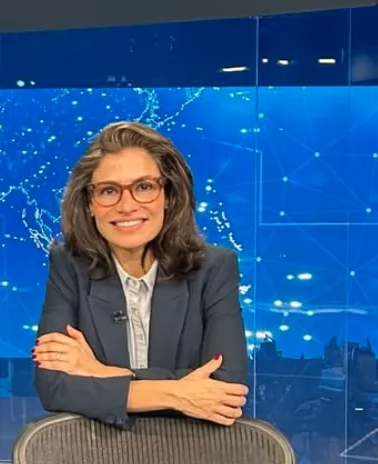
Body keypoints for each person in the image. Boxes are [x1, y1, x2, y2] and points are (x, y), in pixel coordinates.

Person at [31, 121, 249, 430]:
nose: (127, 206)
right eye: (108, 191)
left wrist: (99, 372)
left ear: (169, 196)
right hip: (98, 458)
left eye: (144, 187)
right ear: (90, 204)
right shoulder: (69, 265)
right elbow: (53, 387)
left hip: (194, 455)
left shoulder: (215, 268)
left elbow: (225, 391)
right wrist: (178, 393)